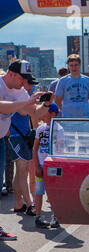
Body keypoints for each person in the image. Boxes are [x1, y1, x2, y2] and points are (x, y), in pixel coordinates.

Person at [0, 63, 42, 240]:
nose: (23, 83)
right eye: (21, 78)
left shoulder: (20, 91)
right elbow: (1, 106)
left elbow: (32, 113)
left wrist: (45, 105)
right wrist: (26, 101)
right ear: (10, 74)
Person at [33, 103, 62, 228]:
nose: (42, 113)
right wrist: (37, 167)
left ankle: (55, 217)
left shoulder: (59, 129)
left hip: (53, 167)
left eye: (45, 111)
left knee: (54, 193)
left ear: (52, 114)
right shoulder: (40, 129)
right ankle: (38, 217)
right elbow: (35, 149)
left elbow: (61, 150)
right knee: (39, 191)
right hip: (41, 164)